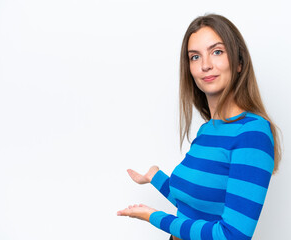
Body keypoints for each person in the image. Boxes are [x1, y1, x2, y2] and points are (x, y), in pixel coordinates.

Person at [117, 13, 281, 240]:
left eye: (217, 52)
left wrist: (153, 216)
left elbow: (233, 235)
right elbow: (196, 206)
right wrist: (155, 176)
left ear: (239, 63)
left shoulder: (252, 134)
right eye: (195, 57)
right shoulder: (208, 130)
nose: (205, 65)